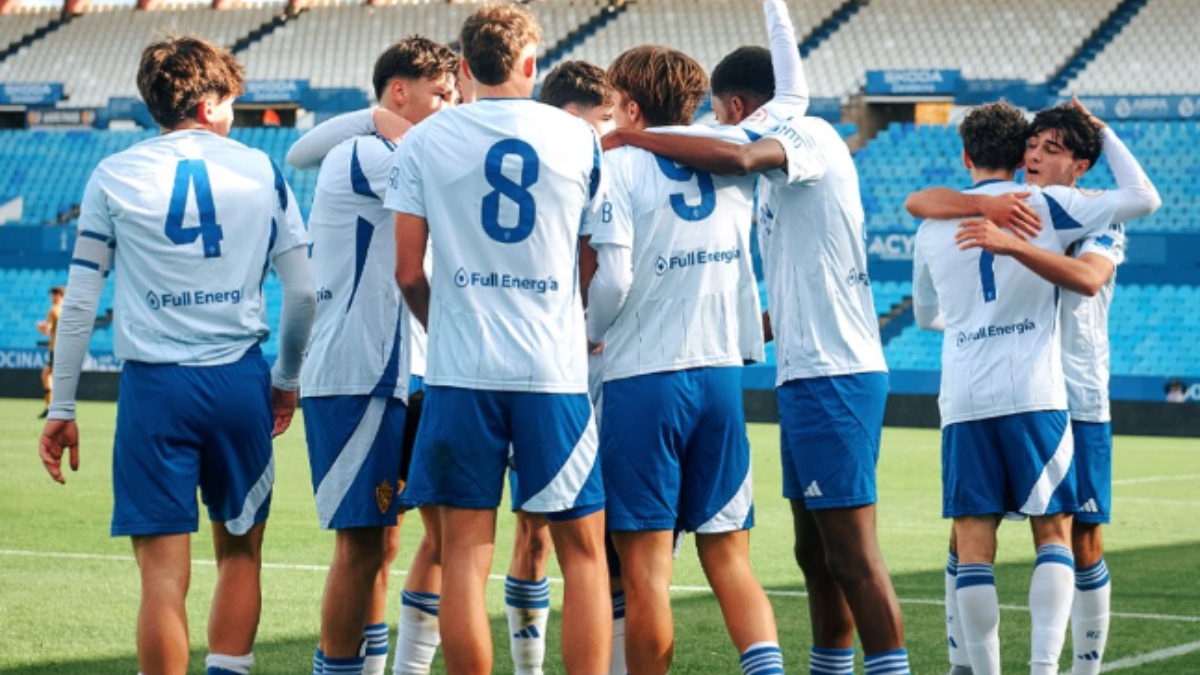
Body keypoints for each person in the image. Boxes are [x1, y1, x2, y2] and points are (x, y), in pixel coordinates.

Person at [605, 3, 911, 673]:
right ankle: (828, 664)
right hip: (800, 367)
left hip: (837, 369)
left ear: (740, 103)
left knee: (853, 553)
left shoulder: (809, 138)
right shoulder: (771, 178)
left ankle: (893, 665)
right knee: (813, 550)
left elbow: (740, 152)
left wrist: (633, 138)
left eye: (719, 111)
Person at [37, 35, 315, 675]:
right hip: (238, 379)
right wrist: (286, 382)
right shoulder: (259, 169)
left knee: (162, 577)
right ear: (212, 100)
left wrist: (64, 404)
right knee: (240, 554)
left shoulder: (115, 174)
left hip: (154, 390)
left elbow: (80, 303)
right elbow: (302, 293)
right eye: (231, 98)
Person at [386, 4, 611, 675]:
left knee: (464, 556)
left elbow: (406, 270)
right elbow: (592, 254)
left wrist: (443, 323)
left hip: (461, 368)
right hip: (552, 370)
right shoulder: (578, 138)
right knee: (584, 555)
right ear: (531, 64)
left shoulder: (426, 139)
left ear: (462, 68)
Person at [906, 99, 1159, 675]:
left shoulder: (1097, 216)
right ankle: (965, 664)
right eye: (1033, 146)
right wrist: (985, 210)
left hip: (1077, 389)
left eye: (1054, 148)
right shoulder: (1024, 206)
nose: (1038, 156)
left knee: (1081, 540)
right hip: (1032, 389)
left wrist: (1013, 245)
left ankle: (1082, 668)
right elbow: (922, 200)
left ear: (1082, 165)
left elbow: (1092, 278)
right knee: (975, 534)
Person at [586, 45, 782, 675]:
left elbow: (610, 278)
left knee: (646, 573)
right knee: (730, 559)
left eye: (616, 103)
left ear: (633, 106)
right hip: (721, 373)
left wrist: (588, 332)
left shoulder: (616, 166)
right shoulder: (728, 162)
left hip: (644, 376)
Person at [292, 35, 457, 675]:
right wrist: (373, 120)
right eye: (439, 94)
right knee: (362, 547)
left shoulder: (399, 150)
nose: (450, 106)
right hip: (360, 375)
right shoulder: (365, 154)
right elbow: (307, 149)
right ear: (398, 93)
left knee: (398, 542)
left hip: (412, 372)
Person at [36, 285, 65, 418]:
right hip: (68, 348)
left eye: (53, 295)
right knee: (52, 375)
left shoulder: (54, 310)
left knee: (47, 374)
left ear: (59, 295)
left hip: (57, 348)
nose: (51, 297)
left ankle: (51, 407)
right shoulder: (68, 309)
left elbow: (47, 331)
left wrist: (41, 327)